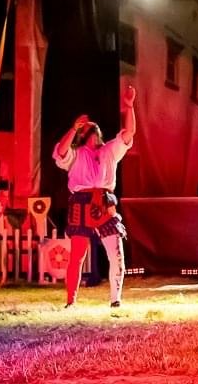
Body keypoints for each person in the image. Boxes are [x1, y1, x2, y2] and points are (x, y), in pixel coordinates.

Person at [53, 85, 137, 308]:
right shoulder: (76, 154)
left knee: (116, 253)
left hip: (105, 203)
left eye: (88, 127)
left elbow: (129, 133)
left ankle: (116, 300)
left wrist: (129, 106)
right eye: (84, 128)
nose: (88, 128)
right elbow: (61, 152)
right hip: (81, 204)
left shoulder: (110, 150)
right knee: (77, 255)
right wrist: (73, 129)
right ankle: (71, 301)